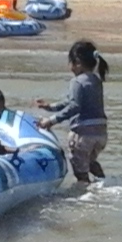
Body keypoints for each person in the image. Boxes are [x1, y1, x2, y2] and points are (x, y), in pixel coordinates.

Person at [37, 40, 109, 185]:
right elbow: (71, 102)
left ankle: (86, 194)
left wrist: (51, 120)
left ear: (77, 63)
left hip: (83, 133)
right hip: (101, 133)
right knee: (90, 162)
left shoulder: (77, 81)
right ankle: (104, 182)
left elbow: (75, 106)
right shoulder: (96, 80)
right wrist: (50, 106)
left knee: (79, 167)